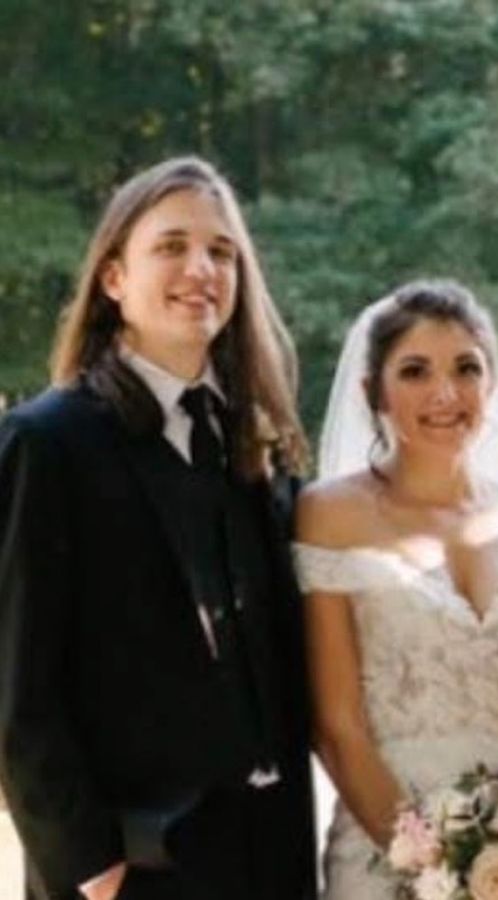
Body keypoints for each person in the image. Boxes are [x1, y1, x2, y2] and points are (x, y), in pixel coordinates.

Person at [0, 157, 316, 899]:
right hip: (132, 868)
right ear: (114, 278)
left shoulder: (256, 443)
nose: (201, 269)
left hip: (267, 861)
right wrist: (88, 864)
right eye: (172, 246)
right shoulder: (46, 442)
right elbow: (16, 682)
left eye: (221, 252)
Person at [295, 280, 498, 899]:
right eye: (415, 371)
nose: (445, 393)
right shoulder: (330, 515)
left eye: (466, 368)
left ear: (492, 385)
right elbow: (337, 725)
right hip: (383, 857)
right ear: (373, 392)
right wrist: (439, 873)